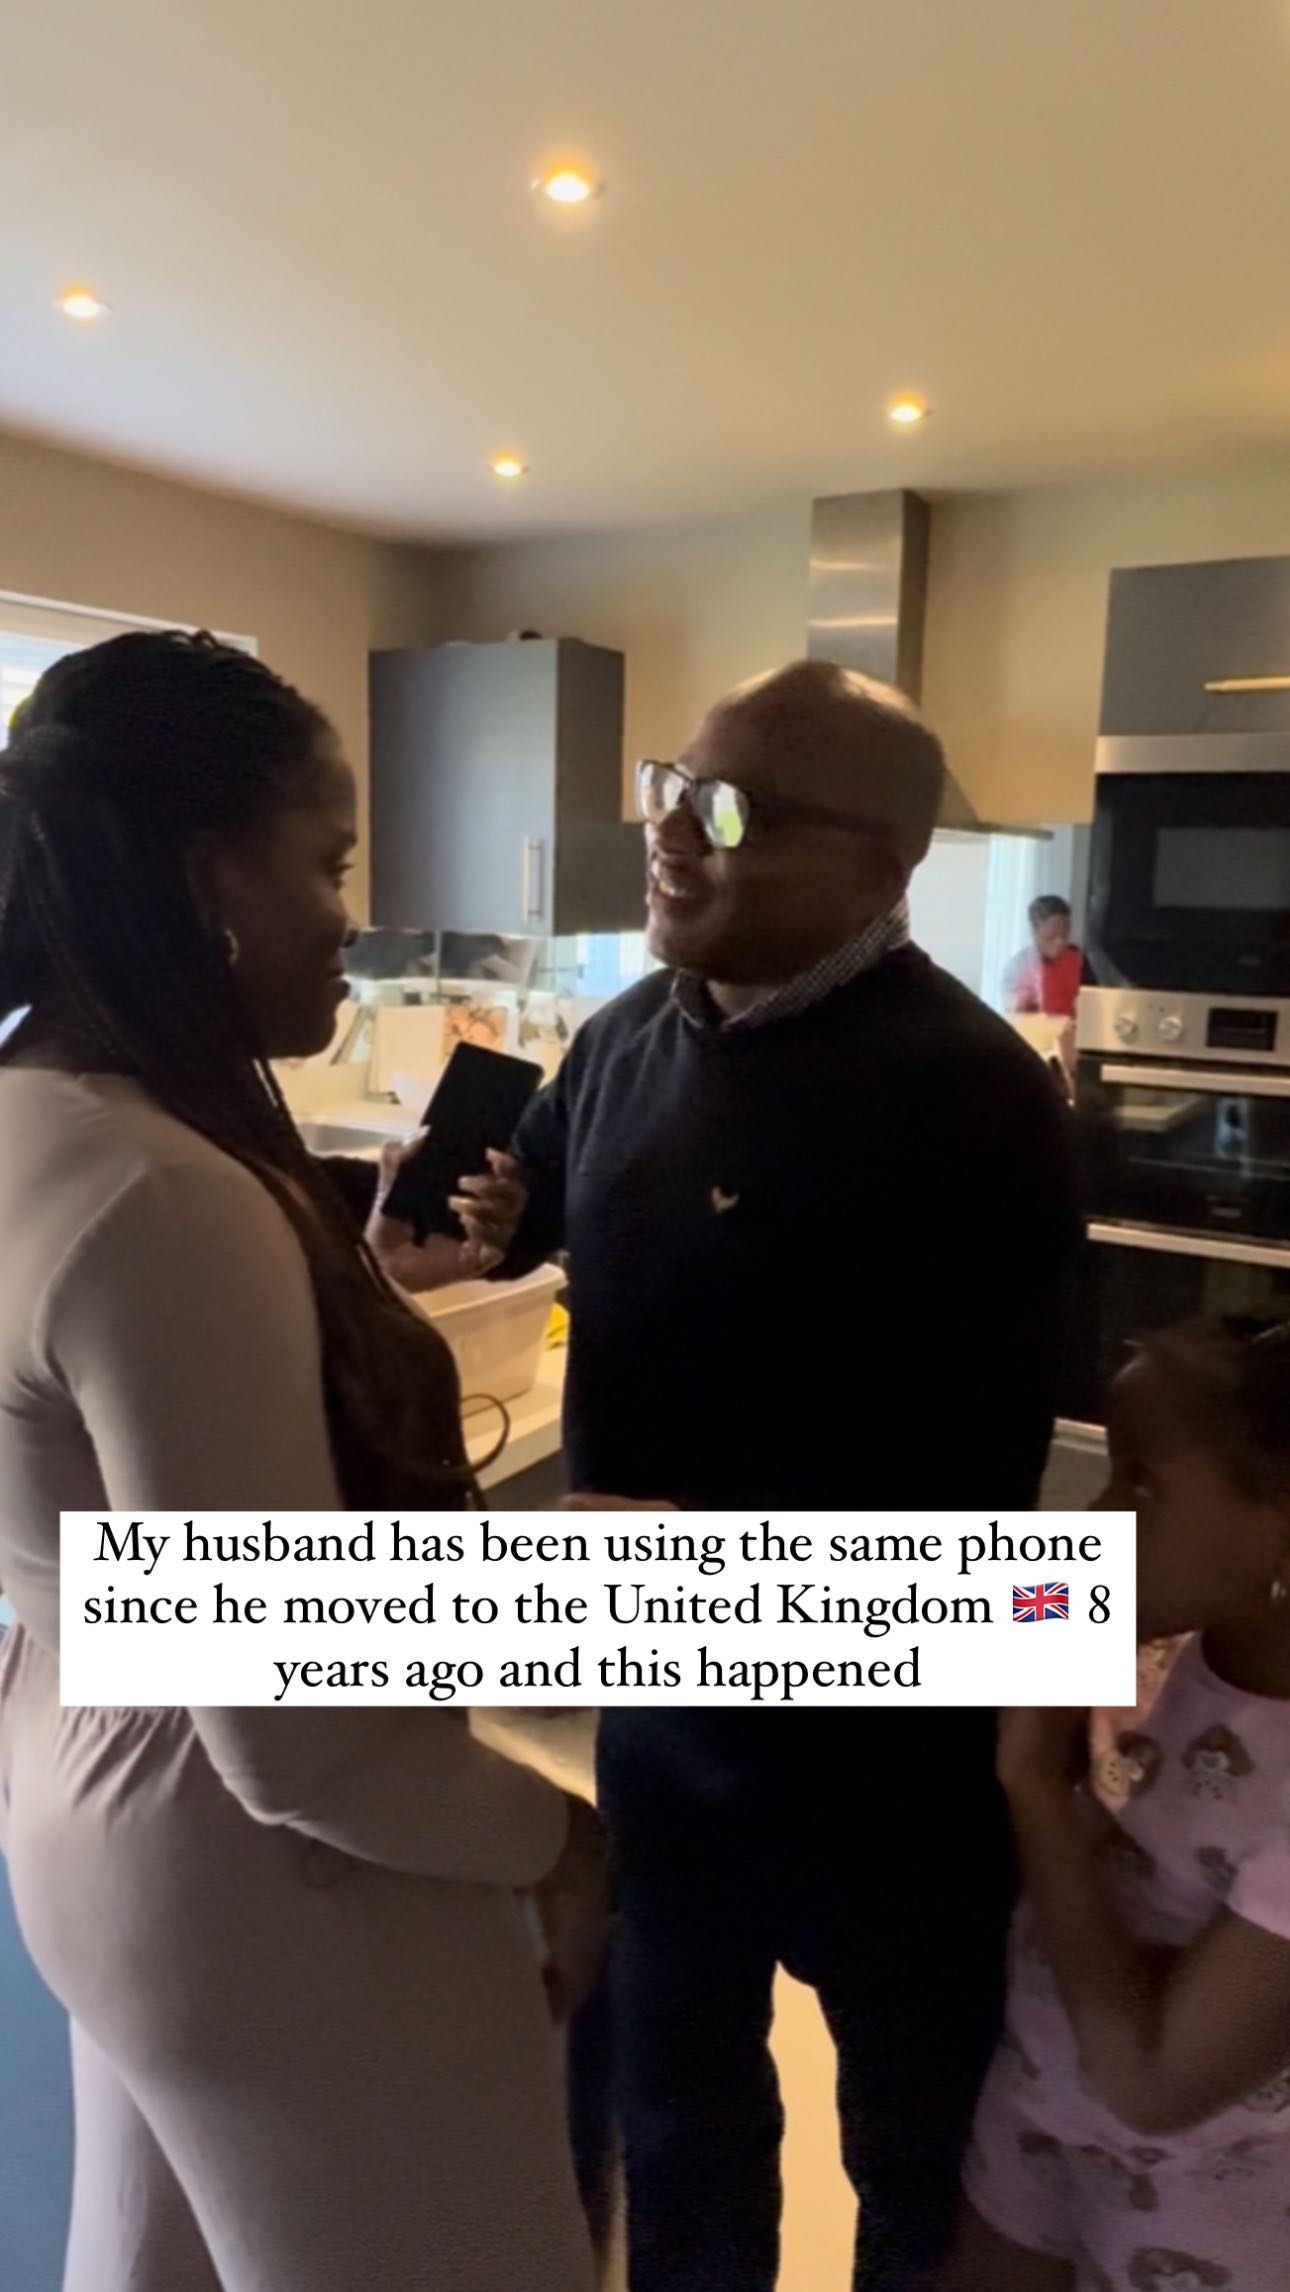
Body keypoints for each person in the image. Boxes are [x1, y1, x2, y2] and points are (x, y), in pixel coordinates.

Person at [372, 659, 1084, 2290]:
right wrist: (490, 1231)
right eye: (669, 792)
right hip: (665, 1731)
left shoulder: (974, 1095)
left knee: (913, 2142)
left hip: (881, 1749)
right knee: (680, 2122)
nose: (673, 834)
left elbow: (982, 1463)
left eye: (731, 810)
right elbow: (560, 1211)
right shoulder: (623, 1039)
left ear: (882, 864)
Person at [0, 632, 598, 2292]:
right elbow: (297, 1734)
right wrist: (564, 1839)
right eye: (328, 865)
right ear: (210, 879)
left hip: (86, 1807)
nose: (350, 914)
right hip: (267, 1874)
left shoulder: (40, 1115)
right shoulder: (161, 1193)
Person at [950, 1320, 1290, 2292]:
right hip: (1032, 2121)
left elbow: (1150, 2083)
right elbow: (884, 1611)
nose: (1092, 1522)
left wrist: (1034, 1785)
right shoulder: (1161, 1632)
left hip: (1210, 2221)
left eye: (1139, 1484)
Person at [1004, 895, 1084, 1020]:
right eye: (1051, 937)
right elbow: (1012, 1013)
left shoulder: (1078, 961)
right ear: (1034, 932)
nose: (1060, 942)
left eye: (1065, 935)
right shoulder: (1018, 967)